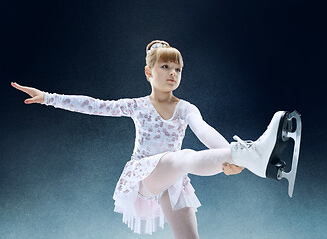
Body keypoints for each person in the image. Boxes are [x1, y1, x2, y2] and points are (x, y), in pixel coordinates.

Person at [11, 40, 287, 239]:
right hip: (145, 175)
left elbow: (204, 130)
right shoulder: (137, 105)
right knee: (184, 157)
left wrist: (226, 158)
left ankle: (246, 157)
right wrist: (48, 98)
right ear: (149, 72)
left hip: (175, 176)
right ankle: (247, 153)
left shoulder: (186, 108)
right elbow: (93, 105)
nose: (172, 73)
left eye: (178, 69)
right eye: (166, 66)